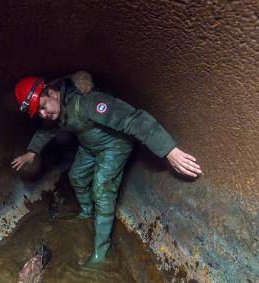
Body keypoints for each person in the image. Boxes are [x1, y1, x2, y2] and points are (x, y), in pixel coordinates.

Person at [12, 71, 201, 266]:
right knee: (76, 176)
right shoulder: (57, 112)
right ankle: (86, 212)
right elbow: (46, 130)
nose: (43, 114)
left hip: (114, 145)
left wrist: (168, 149)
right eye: (38, 113)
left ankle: (101, 250)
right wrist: (31, 152)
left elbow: (131, 119)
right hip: (89, 147)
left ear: (51, 92)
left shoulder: (87, 102)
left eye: (42, 107)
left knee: (101, 189)